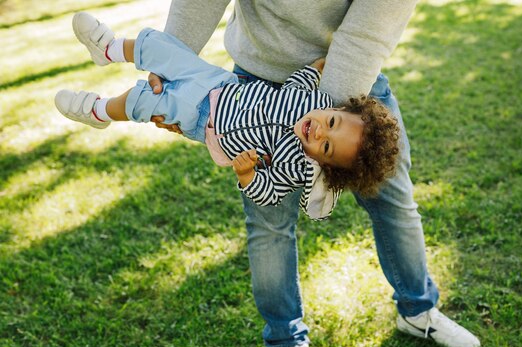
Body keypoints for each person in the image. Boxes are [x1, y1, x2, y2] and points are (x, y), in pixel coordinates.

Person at [145, 0, 483, 347]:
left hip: (349, 80)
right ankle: (284, 343)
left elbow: (369, 27)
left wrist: (322, 125)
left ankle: (418, 310)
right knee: (269, 226)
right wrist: (171, 65)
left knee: (394, 201)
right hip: (257, 86)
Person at [55, 13, 401, 219]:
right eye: (332, 123)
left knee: (146, 101)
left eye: (326, 147)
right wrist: (316, 66)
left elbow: (270, 193)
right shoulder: (315, 101)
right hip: (220, 84)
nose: (319, 132)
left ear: (327, 167)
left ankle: (98, 110)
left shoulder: (299, 166)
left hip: (206, 121)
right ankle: (109, 48)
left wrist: (249, 173)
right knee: (166, 49)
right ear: (339, 109)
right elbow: (299, 81)